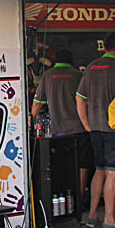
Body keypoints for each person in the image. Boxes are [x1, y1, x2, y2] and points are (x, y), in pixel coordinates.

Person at [76, 32, 115, 228]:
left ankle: (92, 216)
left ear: (104, 48)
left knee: (99, 169)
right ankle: (110, 220)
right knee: (113, 172)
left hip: (94, 127)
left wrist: (86, 123)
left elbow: (79, 97)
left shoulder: (92, 67)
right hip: (114, 127)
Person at [31, 49, 91, 200]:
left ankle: (65, 198)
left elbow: (35, 108)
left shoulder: (47, 76)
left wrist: (33, 123)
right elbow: (87, 101)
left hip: (57, 131)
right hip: (80, 128)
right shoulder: (78, 75)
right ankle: (80, 198)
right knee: (82, 165)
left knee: (61, 165)